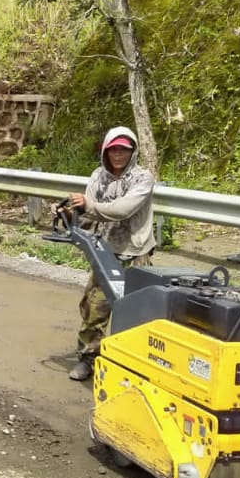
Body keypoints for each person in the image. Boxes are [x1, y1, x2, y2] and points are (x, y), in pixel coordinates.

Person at [65, 125, 155, 382]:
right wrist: (70, 213)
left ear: (132, 151)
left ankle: (130, 366)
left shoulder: (142, 179)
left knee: (136, 313)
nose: (118, 154)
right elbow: (87, 213)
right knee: (95, 308)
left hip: (136, 253)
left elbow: (122, 209)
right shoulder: (97, 177)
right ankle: (87, 358)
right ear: (106, 150)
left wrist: (88, 205)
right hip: (105, 252)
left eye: (123, 150)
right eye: (113, 149)